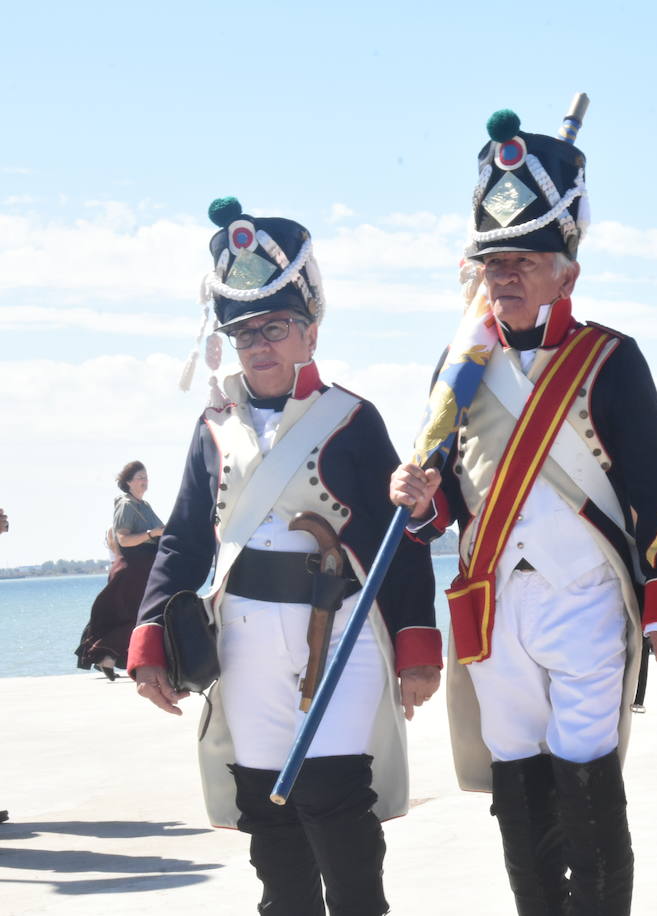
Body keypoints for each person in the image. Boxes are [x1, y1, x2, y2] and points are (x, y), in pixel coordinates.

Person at [389, 109, 657, 916]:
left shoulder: (610, 358)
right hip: (492, 606)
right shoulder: (459, 365)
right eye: (495, 261)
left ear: (568, 270)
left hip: (587, 598)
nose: (507, 276)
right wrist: (421, 504)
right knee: (515, 783)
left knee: (589, 781)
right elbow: (450, 488)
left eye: (525, 259)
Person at [128, 198, 442, 915]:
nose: (259, 345)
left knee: (335, 802)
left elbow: (402, 541)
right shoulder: (213, 426)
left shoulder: (355, 419)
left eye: (274, 328)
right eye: (244, 334)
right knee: (267, 816)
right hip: (244, 640)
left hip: (342, 635)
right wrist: (148, 639)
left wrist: (418, 645)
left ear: (310, 330)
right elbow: (183, 539)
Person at [76, 461, 164, 679]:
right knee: (136, 616)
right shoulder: (126, 505)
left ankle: (108, 658)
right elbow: (123, 539)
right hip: (132, 570)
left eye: (146, 477)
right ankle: (106, 656)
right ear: (128, 482)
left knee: (134, 616)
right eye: (139, 477)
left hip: (143, 570)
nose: (144, 481)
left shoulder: (143, 505)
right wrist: (152, 534)